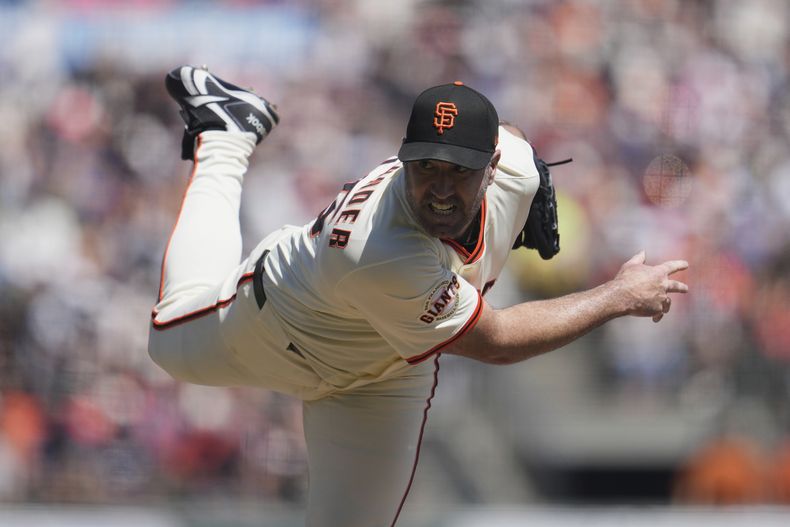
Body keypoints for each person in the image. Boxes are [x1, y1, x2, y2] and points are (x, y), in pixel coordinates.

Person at [148, 66, 689, 526]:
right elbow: (496, 342)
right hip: (282, 331)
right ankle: (225, 133)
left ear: (493, 167)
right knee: (165, 339)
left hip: (386, 374)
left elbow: (513, 135)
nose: (440, 186)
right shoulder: (379, 248)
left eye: (459, 170)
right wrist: (616, 297)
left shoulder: (518, 169)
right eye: (426, 166)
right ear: (404, 159)